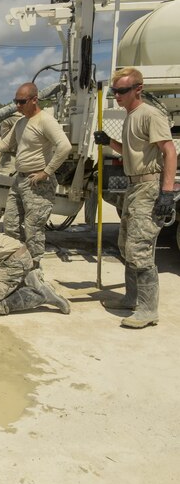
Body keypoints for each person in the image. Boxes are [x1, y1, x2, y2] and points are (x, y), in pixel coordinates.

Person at [93, 67, 177, 329]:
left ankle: (148, 309)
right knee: (126, 245)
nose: (116, 95)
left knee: (140, 249)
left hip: (149, 187)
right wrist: (109, 141)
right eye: (114, 91)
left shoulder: (150, 115)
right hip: (132, 188)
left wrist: (166, 192)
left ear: (138, 89)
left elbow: (170, 152)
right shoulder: (130, 115)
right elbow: (131, 150)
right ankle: (131, 297)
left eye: (122, 90)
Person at [0, 82, 72, 269]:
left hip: (38, 184)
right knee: (10, 224)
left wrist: (46, 172)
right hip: (20, 180)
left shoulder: (45, 121)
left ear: (34, 100)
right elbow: (5, 145)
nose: (17, 106)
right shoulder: (21, 122)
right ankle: (15, 263)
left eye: (22, 102)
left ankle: (33, 269)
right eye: (16, 101)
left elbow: (65, 147)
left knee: (33, 229)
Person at [0, 113, 21, 230]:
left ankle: (1, 220)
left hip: (18, 157)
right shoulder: (12, 118)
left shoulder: (16, 118)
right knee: (1, 187)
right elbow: (4, 139)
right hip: (10, 156)